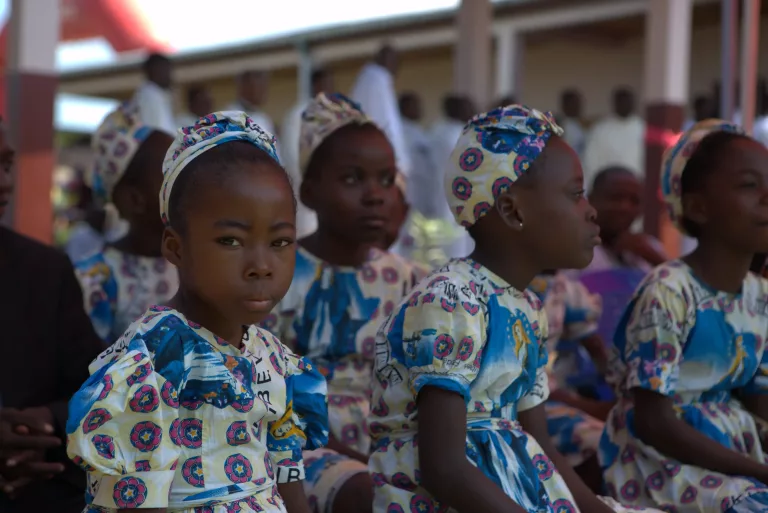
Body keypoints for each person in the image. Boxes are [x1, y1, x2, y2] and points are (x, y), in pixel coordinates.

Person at [368, 105, 660, 513]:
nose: (591, 211)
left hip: (519, 491)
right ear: (512, 210)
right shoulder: (449, 302)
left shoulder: (526, 306)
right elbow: (444, 470)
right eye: (576, 195)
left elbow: (538, 444)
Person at [66, 112, 329, 513]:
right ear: (174, 247)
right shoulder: (152, 365)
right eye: (231, 240)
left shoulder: (274, 358)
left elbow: (287, 479)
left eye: (280, 242)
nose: (262, 264)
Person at [260, 93, 425, 513]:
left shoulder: (409, 279)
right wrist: (367, 464)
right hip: (295, 444)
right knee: (370, 496)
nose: (375, 196)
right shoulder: (277, 273)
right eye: (353, 179)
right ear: (310, 193)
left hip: (390, 435)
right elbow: (267, 393)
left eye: (386, 179)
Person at [600, 119, 768, 511]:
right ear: (696, 207)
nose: (767, 196)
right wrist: (758, 474)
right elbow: (654, 422)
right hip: (662, 464)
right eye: (749, 185)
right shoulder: (670, 291)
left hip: (735, 453)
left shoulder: (758, 295)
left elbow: (759, 398)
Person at [0, 120, 105, 513]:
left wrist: (41, 423)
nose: (4, 182)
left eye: (7, 165)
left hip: (41, 486)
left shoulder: (46, 271)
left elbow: (95, 387)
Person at [74, 103, 178, 343]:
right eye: (173, 176)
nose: (190, 185)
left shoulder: (200, 264)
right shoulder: (95, 280)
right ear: (135, 200)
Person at [528, 271, 610, 493]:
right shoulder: (510, 290)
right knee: (601, 439)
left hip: (544, 396)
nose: (595, 234)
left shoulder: (564, 289)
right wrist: (592, 408)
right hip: (520, 404)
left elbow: (594, 345)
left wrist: (621, 387)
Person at [579, 166, 666, 275]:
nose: (625, 207)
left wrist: (655, 259)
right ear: (591, 200)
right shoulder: (572, 250)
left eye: (634, 201)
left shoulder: (650, 247)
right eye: (615, 198)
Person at [281, 68, 334, 239]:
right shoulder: (298, 115)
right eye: (325, 84)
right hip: (306, 201)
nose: (329, 88)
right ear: (315, 86)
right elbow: (291, 158)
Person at [350, 45, 411, 179]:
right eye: (395, 62)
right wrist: (399, 163)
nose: (396, 68)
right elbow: (387, 122)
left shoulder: (364, 79)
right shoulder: (378, 79)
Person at [429, 94, 476, 259]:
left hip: (440, 192)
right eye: (469, 107)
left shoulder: (437, 130)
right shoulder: (461, 133)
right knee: (456, 243)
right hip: (459, 194)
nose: (473, 110)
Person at [583, 87, 646, 187]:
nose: (624, 105)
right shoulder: (600, 129)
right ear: (614, 103)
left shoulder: (643, 129)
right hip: (607, 186)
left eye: (627, 102)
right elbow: (591, 160)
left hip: (636, 185)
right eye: (621, 102)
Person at [132, 53, 176, 136]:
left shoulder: (156, 93)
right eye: (166, 69)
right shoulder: (149, 95)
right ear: (155, 70)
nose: (169, 75)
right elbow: (159, 133)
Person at [227, 70, 275, 134]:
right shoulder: (229, 117)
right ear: (245, 83)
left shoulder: (264, 118)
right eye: (260, 80)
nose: (264, 87)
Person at [559, 89, 587, 160]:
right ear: (565, 106)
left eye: (578, 103)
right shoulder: (563, 126)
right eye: (573, 104)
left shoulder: (579, 125)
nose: (577, 107)